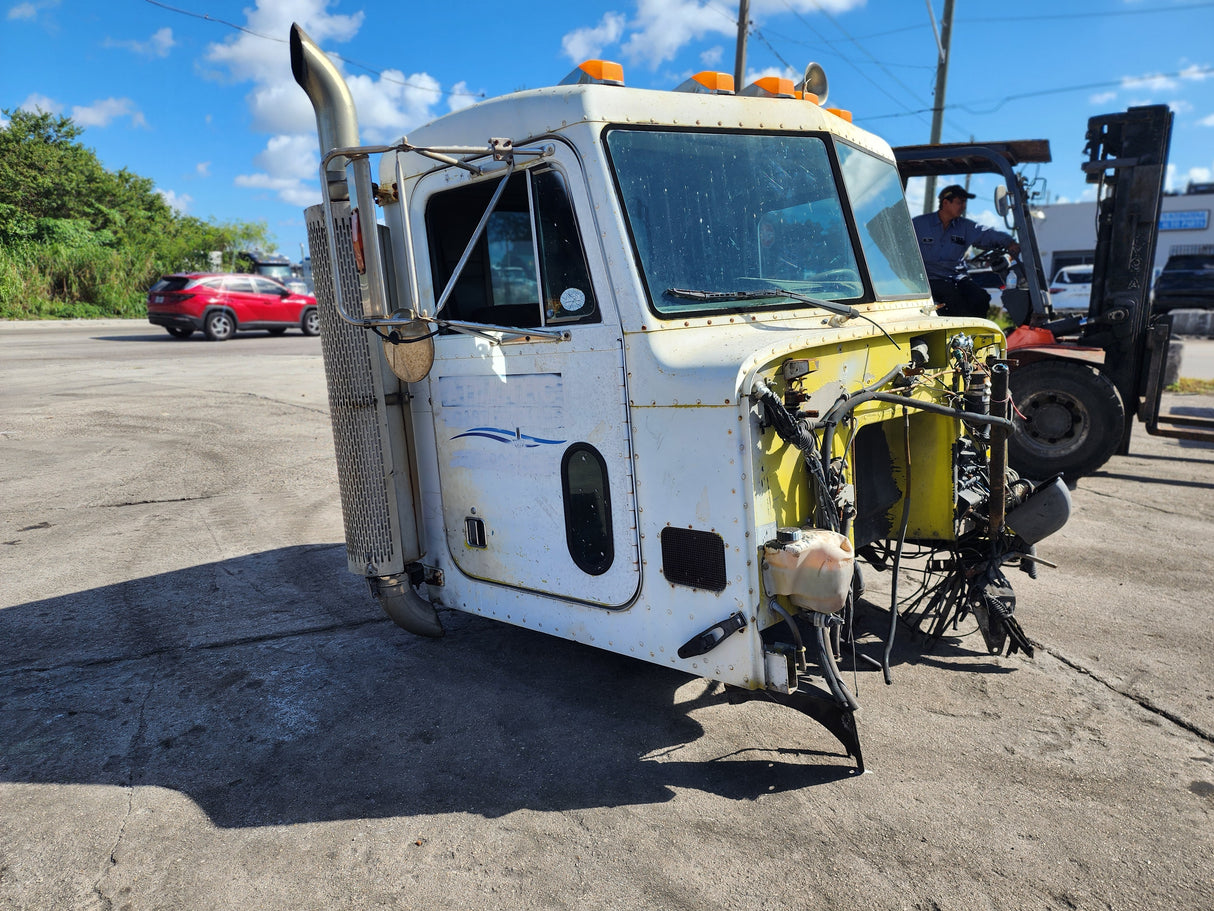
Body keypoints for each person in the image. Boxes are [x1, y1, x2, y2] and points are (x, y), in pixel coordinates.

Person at [912, 184, 1021, 318]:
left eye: (964, 202)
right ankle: (960, 334)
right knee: (953, 298)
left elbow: (986, 234)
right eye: (959, 202)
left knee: (981, 297)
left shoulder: (964, 227)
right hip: (929, 279)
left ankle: (977, 334)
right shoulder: (919, 224)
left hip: (956, 277)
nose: (963, 206)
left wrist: (1009, 242)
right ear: (945, 203)